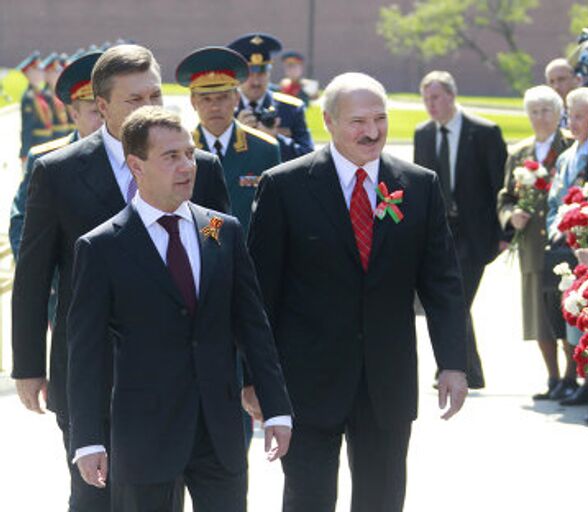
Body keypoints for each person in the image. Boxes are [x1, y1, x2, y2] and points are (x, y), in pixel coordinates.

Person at [11, 44, 230, 512]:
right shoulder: (58, 172)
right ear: (103, 106)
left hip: (182, 374)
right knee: (95, 498)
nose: (149, 107)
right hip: (94, 372)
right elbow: (33, 274)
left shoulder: (200, 168)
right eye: (135, 100)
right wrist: (29, 364)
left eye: (155, 94)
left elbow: (217, 251)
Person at [248, 72, 469, 512]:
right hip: (307, 383)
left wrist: (453, 364)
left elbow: (442, 283)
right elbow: (259, 296)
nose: (372, 132)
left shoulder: (418, 186)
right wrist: (253, 379)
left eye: (380, 119)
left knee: (383, 500)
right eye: (358, 121)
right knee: (308, 500)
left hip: (387, 382)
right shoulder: (285, 186)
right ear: (328, 121)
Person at [67, 106, 292, 512]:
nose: (187, 165)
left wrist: (277, 407)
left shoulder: (221, 230)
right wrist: (87, 438)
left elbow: (252, 324)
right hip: (144, 437)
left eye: (189, 153)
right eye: (171, 156)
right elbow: (86, 353)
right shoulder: (102, 247)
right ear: (136, 165)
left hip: (219, 433)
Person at [413, 70, 508, 389]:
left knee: (457, 299)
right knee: (450, 300)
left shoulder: (483, 132)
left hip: (475, 233)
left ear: (452, 96)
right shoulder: (423, 134)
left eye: (436, 97)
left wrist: (504, 234)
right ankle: (463, 369)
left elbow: (501, 184)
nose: (431, 104)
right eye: (426, 98)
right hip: (441, 233)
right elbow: (418, 187)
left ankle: (457, 368)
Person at [497, 85, 572, 400]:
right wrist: (511, 216)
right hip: (531, 245)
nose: (540, 118)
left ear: (558, 114)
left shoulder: (569, 146)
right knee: (538, 317)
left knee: (567, 310)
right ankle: (553, 377)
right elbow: (505, 197)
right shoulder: (520, 152)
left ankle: (572, 376)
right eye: (534, 112)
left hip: (562, 243)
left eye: (546, 111)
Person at [10, 50, 104, 259]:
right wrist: (41, 279)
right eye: (95, 112)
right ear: (74, 114)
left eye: (107, 111)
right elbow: (22, 223)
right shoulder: (46, 161)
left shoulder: (135, 155)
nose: (103, 120)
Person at [179, 45, 281, 231]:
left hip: (248, 252)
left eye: (223, 97)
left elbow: (275, 213)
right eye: (206, 99)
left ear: (236, 99)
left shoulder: (265, 149)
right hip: (198, 252)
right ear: (193, 101)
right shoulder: (179, 150)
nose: (215, 107)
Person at [546, 86, 588, 405]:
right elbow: (555, 199)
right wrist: (557, 227)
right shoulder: (567, 156)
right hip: (564, 246)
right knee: (572, 315)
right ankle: (583, 378)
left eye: (580, 116)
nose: (573, 121)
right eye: (571, 115)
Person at [228, 33, 314, 162]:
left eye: (261, 73)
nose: (256, 81)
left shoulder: (291, 109)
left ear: (269, 73)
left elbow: (309, 157)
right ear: (239, 75)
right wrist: (236, 135)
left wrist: (275, 138)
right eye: (250, 74)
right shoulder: (226, 109)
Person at [17, 51, 53, 164]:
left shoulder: (40, 94)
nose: (41, 74)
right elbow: (27, 127)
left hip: (45, 143)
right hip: (36, 145)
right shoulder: (29, 97)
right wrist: (24, 152)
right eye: (37, 71)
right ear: (29, 73)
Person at [545, 58, 580, 127]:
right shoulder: (548, 117)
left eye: (561, 79)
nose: (556, 87)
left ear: (576, 80)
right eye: (551, 82)